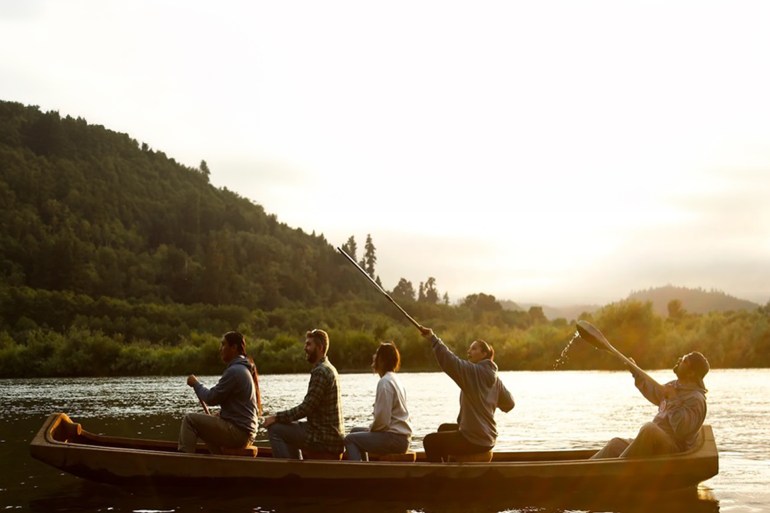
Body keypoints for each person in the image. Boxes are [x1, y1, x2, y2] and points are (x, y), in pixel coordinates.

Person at [418, 326, 515, 462]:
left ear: (484, 354)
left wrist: (433, 339)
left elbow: (451, 361)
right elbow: (509, 404)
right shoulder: (496, 380)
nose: (469, 351)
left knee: (430, 441)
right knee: (443, 428)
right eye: (470, 348)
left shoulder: (472, 372)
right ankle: (449, 469)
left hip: (475, 440)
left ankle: (439, 478)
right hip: (488, 438)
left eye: (474, 348)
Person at [591, 351, 710, 459]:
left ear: (691, 373)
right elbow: (653, 391)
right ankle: (585, 472)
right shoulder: (673, 386)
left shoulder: (696, 399)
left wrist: (673, 399)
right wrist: (635, 371)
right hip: (654, 443)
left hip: (675, 452)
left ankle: (616, 469)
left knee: (650, 429)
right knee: (615, 444)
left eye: (684, 361)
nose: (679, 360)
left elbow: (681, 430)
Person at [263, 329, 345, 459]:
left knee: (275, 429)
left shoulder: (321, 371)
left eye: (308, 344)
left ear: (320, 348)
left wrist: (276, 417)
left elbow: (306, 408)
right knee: (287, 426)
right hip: (328, 435)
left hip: (324, 438)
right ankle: (296, 467)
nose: (305, 348)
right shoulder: (329, 367)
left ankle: (286, 473)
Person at [178, 331, 262, 454]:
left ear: (233, 348)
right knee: (208, 424)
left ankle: (184, 462)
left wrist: (196, 384)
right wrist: (222, 415)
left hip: (239, 434)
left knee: (190, 419)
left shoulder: (235, 371)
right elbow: (237, 408)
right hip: (245, 433)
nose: (220, 349)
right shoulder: (242, 368)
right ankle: (218, 462)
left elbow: (211, 398)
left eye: (223, 345)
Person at [343, 342, 412, 461]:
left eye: (377, 354)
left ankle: (357, 473)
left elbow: (382, 421)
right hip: (401, 437)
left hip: (394, 439)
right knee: (355, 431)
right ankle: (366, 465)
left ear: (382, 360)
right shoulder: (395, 379)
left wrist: (371, 429)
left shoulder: (384, 382)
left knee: (350, 439)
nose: (374, 357)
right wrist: (370, 430)